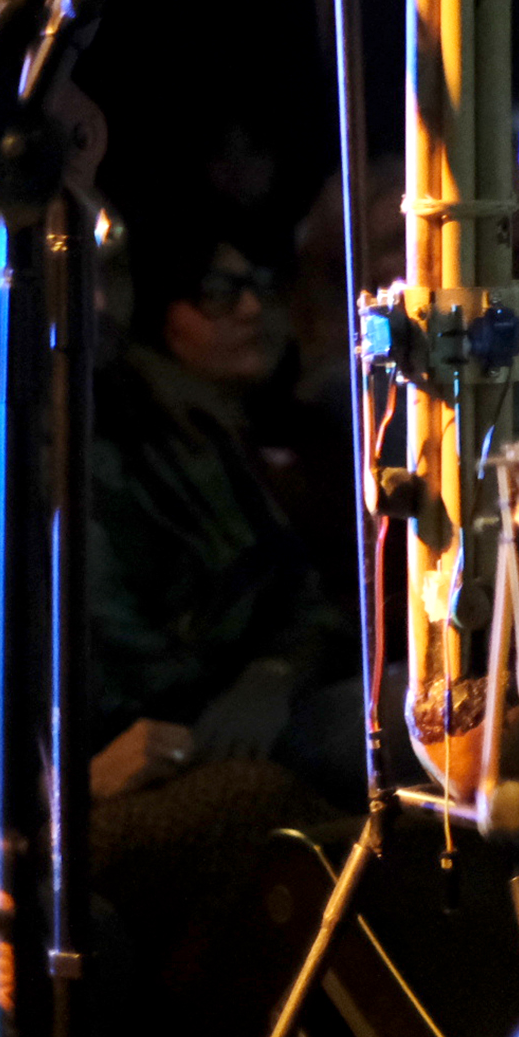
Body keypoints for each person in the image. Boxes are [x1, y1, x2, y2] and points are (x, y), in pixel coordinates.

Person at [87, 195, 352, 795]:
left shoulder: (205, 434)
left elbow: (304, 593)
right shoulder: (110, 442)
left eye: (258, 287)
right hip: (170, 746)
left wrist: (274, 673)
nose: (252, 309)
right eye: (216, 293)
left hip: (259, 714)